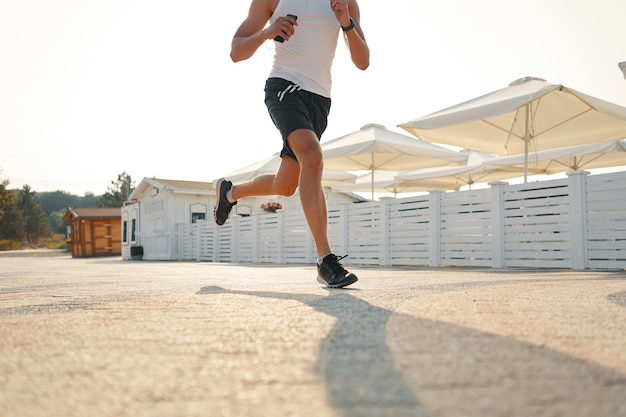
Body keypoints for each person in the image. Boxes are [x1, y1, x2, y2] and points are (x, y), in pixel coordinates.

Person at [214, 0, 370, 288]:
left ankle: (230, 193)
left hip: (320, 100)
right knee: (313, 156)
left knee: (286, 185)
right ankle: (326, 260)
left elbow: (363, 61)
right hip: (284, 86)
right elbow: (236, 51)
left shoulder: (345, 1)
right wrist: (266, 32)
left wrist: (346, 22)